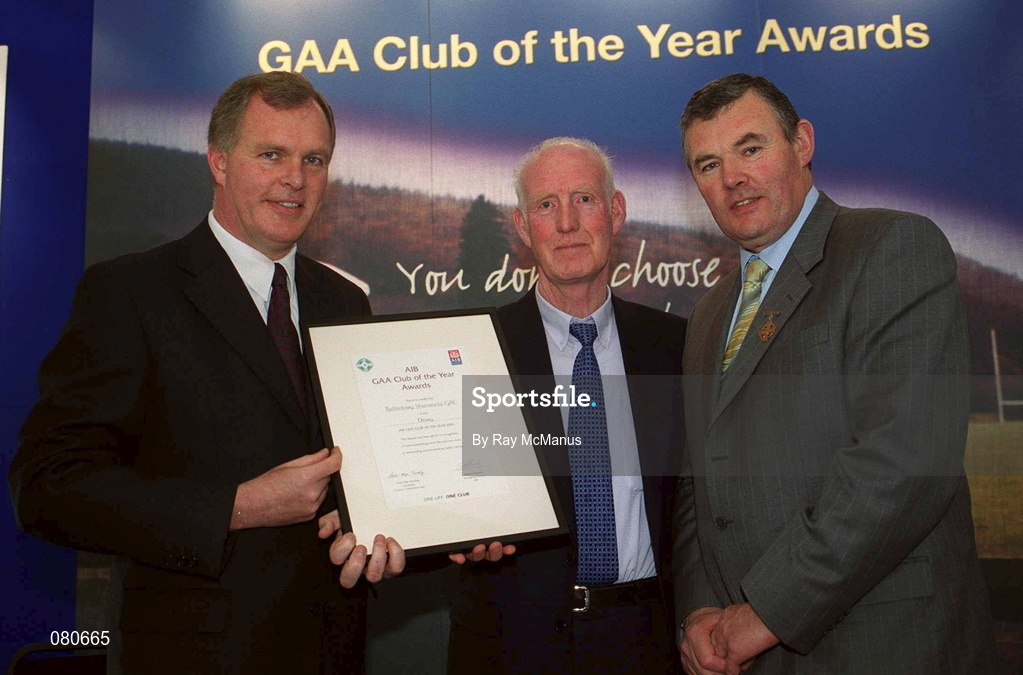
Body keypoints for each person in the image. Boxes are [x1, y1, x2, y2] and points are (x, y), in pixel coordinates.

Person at [9, 71, 403, 674]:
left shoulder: (344, 300)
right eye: (271, 154)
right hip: (193, 654)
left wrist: (384, 524)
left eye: (314, 159)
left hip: (334, 649)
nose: (295, 179)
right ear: (219, 162)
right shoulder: (129, 292)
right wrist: (238, 506)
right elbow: (48, 488)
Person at [673, 73, 995, 674]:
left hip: (882, 645)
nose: (732, 178)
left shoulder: (893, 247)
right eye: (708, 164)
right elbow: (698, 481)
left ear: (801, 143)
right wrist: (698, 611)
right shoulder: (712, 311)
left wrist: (767, 610)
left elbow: (902, 460)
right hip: (742, 651)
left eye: (751, 148)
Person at [448, 137, 685, 673]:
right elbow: (449, 495)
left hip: (649, 641)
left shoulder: (674, 347)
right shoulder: (476, 347)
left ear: (616, 211)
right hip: (512, 646)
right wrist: (457, 530)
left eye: (584, 199)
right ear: (523, 226)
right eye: (546, 205)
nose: (566, 223)